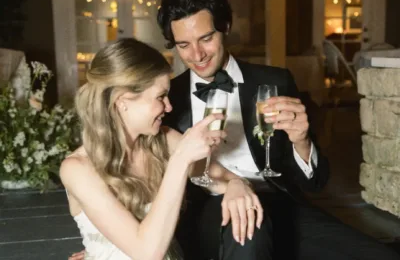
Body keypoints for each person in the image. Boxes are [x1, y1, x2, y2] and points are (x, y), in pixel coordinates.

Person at [156, 0, 400, 260]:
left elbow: (315, 183)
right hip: (210, 208)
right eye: (183, 45)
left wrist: (302, 142)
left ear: (226, 27)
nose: (197, 54)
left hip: (279, 203)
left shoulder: (274, 81)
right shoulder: (168, 99)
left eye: (206, 38)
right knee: (247, 233)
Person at [62, 38, 269, 260]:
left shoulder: (165, 140)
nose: (169, 107)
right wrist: (180, 161)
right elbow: (147, 253)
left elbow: (218, 178)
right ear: (123, 101)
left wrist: (237, 184)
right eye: (160, 97)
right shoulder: (77, 169)